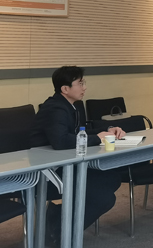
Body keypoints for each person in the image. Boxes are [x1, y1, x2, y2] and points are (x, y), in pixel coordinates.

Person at [30, 66, 125, 247]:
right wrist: (98, 138)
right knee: (105, 198)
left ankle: (57, 217)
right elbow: (61, 141)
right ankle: (61, 233)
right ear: (65, 89)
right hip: (46, 172)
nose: (84, 87)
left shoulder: (70, 106)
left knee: (111, 178)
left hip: (64, 164)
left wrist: (107, 130)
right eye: (80, 83)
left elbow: (82, 131)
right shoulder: (55, 108)